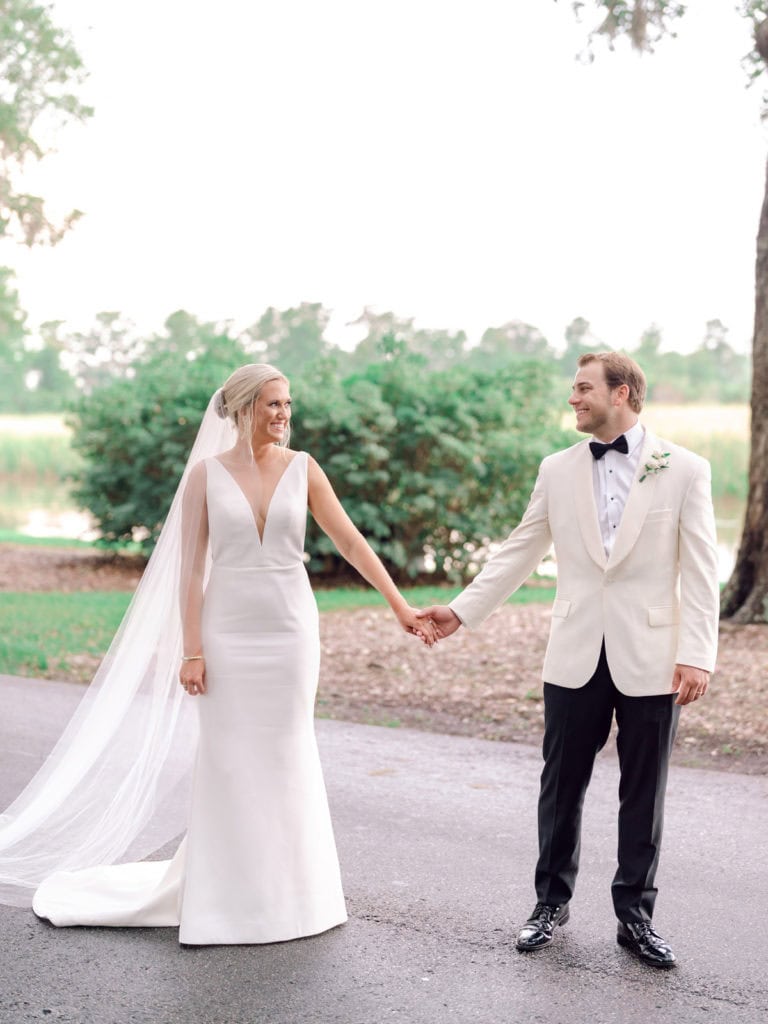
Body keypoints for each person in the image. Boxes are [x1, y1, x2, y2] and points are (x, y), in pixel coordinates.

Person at [5, 363, 436, 944]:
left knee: (286, 750)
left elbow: (351, 542)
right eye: (272, 404)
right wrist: (192, 650)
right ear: (241, 410)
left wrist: (399, 606)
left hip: (289, 631)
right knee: (229, 757)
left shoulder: (304, 469)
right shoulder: (205, 476)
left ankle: (295, 896)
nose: (283, 415)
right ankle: (225, 896)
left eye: (287, 403)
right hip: (227, 631)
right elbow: (190, 570)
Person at [416, 352, 719, 969]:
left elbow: (703, 571)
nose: (573, 399)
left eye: (584, 389)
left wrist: (697, 655)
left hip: (654, 656)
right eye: (574, 389)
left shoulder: (685, 469)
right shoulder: (556, 470)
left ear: (624, 392)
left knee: (645, 792)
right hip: (575, 652)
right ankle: (548, 905)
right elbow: (520, 549)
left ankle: (636, 918)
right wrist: (462, 610)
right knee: (561, 787)